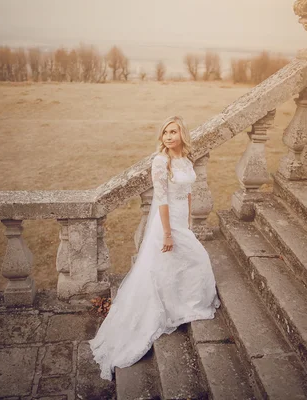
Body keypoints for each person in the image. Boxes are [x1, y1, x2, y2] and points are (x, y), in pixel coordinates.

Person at [89, 115, 221, 381]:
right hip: (167, 221)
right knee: (189, 259)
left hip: (182, 218)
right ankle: (163, 310)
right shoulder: (161, 162)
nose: (169, 136)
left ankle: (181, 301)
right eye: (165, 133)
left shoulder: (185, 159)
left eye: (173, 132)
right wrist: (168, 233)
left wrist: (188, 219)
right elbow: (161, 198)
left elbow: (189, 192)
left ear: (182, 134)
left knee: (187, 260)